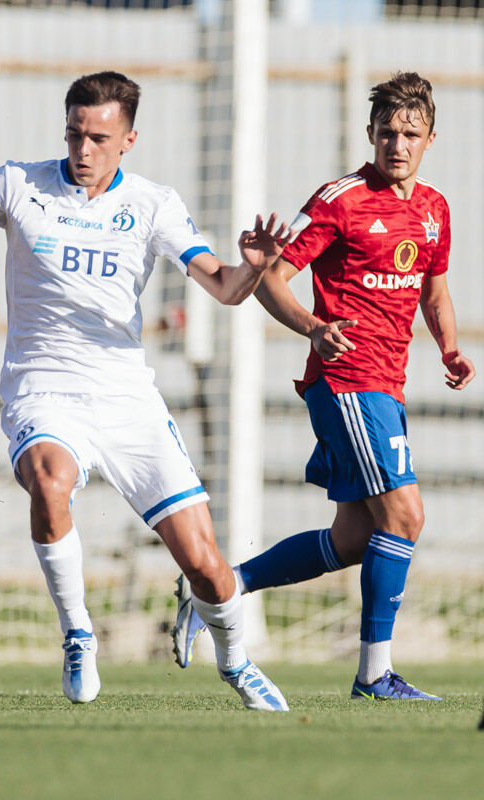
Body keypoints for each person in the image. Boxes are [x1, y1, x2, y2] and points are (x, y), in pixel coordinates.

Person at [0, 71, 292, 710]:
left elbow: (224, 287)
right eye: (74, 133)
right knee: (48, 479)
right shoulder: (18, 184)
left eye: (98, 137)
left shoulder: (154, 204)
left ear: (129, 139)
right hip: (42, 389)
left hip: (127, 400)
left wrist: (257, 267)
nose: (83, 149)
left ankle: (237, 663)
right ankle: (77, 631)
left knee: (208, 567)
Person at [171, 72, 473, 701]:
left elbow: (435, 293)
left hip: (389, 386)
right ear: (369, 133)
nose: (398, 143)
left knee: (355, 538)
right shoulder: (341, 199)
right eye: (387, 131)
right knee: (406, 515)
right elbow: (276, 278)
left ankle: (215, 588)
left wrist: (448, 347)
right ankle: (374, 676)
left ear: (431, 139)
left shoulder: (436, 210)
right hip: (346, 381)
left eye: (411, 134)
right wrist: (314, 327)